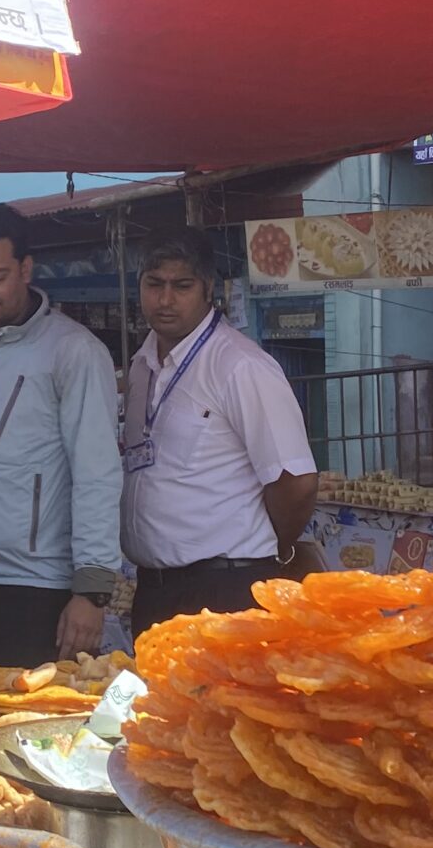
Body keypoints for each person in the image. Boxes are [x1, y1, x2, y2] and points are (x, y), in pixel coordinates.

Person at [0, 203, 122, 667]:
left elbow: (96, 472)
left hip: (40, 592)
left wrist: (91, 592)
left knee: (35, 732)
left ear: (25, 268)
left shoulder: (72, 351)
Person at [119, 230, 319, 632]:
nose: (165, 300)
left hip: (226, 589)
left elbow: (295, 483)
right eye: (154, 285)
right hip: (156, 590)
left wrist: (278, 549)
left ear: (208, 288)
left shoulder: (241, 366)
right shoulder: (142, 365)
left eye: (182, 286)